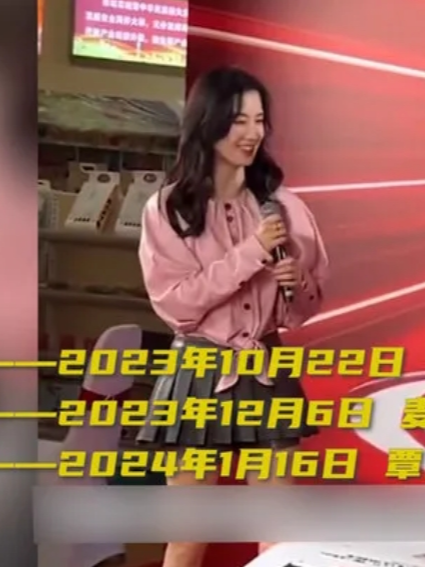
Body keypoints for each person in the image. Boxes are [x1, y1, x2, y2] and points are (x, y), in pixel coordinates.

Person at [136, 66, 330, 567]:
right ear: (209, 122)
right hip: (199, 371)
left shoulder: (284, 206)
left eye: (259, 120)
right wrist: (251, 252)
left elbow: (306, 307)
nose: (252, 133)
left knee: (276, 534)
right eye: (238, 120)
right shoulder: (168, 209)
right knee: (188, 536)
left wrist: (296, 283)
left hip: (266, 367)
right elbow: (177, 304)